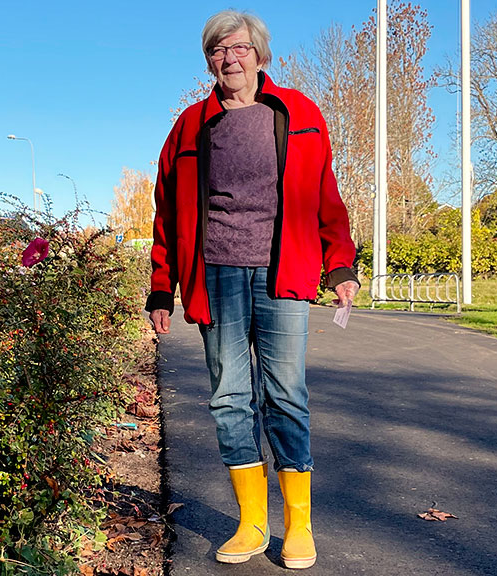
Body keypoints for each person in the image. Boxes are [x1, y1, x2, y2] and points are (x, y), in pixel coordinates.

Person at [145, 10, 360, 570]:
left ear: (259, 53)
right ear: (208, 61)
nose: (229, 58)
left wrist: (339, 267)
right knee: (228, 398)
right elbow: (166, 213)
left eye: (238, 47)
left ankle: (299, 527)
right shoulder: (191, 126)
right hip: (215, 273)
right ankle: (252, 522)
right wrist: (161, 288)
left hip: (283, 272)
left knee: (286, 392)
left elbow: (325, 197)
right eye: (217, 50)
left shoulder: (298, 113)